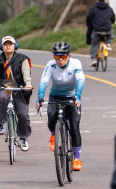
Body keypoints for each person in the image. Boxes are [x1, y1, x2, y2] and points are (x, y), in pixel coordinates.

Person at [36, 42, 85, 171]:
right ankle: (53, 134)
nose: (60, 60)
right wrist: (40, 97)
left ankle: (77, 158)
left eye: (63, 56)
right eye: (57, 57)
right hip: (55, 96)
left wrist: (78, 96)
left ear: (69, 56)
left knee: (74, 127)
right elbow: (44, 80)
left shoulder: (76, 64)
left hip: (72, 96)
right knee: (51, 117)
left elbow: (80, 79)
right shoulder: (51, 65)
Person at [0, 36, 33, 151]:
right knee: (2, 98)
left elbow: (26, 73)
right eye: (5, 44)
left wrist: (28, 84)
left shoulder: (23, 59)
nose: (7, 46)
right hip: (3, 88)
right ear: (1, 46)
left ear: (15, 45)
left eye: (10, 44)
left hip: (20, 90)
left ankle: (23, 138)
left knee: (23, 114)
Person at [86, 0, 116, 67]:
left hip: (97, 29)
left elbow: (88, 18)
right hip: (107, 29)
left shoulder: (93, 8)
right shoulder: (109, 8)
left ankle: (94, 59)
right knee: (110, 34)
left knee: (95, 43)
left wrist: (89, 25)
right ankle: (108, 43)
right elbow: (113, 18)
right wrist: (111, 22)